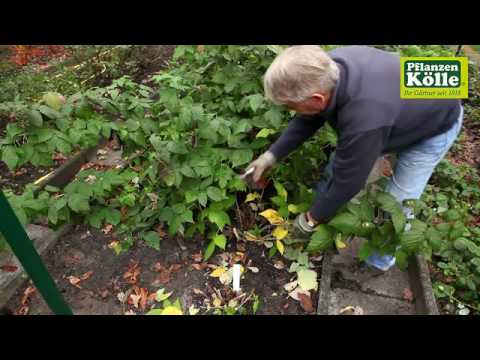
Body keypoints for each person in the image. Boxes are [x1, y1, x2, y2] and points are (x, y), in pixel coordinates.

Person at [245, 45, 463, 271]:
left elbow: (348, 182)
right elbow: (307, 119)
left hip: (436, 119)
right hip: (400, 98)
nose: (291, 110)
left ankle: (377, 262)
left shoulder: (364, 119)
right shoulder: (325, 68)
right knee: (343, 163)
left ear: (318, 98)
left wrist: (310, 220)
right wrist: (271, 156)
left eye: (291, 106)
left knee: (398, 205)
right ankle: (323, 204)